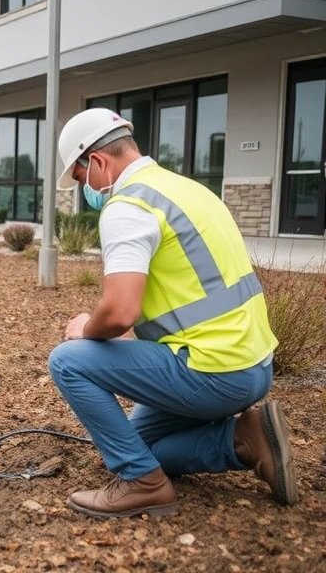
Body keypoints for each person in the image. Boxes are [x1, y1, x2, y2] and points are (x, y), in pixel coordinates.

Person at [47, 107, 295, 518]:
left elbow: (120, 311)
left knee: (68, 361)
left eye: (79, 177)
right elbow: (190, 293)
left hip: (214, 371)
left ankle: (143, 486)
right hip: (252, 365)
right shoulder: (187, 189)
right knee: (137, 446)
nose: (84, 188)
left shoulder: (127, 206)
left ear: (96, 162)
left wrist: (85, 328)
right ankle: (244, 438)